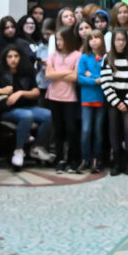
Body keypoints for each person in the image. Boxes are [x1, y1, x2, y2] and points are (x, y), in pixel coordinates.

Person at [0, 45, 49, 169]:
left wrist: (21, 93)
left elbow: (36, 92)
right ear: (5, 58)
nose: (13, 59)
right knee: (27, 116)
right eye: (10, 56)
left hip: (28, 106)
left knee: (49, 115)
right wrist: (1, 91)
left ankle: (36, 147)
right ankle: (18, 151)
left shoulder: (27, 71)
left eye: (16, 56)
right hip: (7, 109)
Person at [45, 26, 82, 173]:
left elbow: (75, 76)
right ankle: (60, 159)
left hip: (70, 97)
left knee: (72, 129)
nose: (58, 42)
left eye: (61, 39)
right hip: (54, 96)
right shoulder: (53, 55)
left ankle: (73, 159)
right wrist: (67, 71)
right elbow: (48, 74)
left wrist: (57, 72)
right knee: (58, 129)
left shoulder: (77, 55)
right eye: (57, 39)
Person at [100, 29, 128, 175]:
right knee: (113, 129)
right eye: (118, 40)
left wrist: (127, 101)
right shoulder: (107, 58)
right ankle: (116, 159)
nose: (120, 43)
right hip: (113, 98)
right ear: (113, 41)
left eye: (123, 40)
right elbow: (105, 82)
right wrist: (116, 102)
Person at [76, 30, 107, 174]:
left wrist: (91, 75)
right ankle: (85, 159)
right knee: (86, 130)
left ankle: (96, 159)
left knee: (98, 131)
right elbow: (80, 78)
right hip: (87, 99)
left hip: (101, 98)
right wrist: (95, 79)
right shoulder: (84, 58)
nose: (94, 41)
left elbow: (106, 77)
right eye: (91, 39)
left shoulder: (106, 58)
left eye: (97, 38)